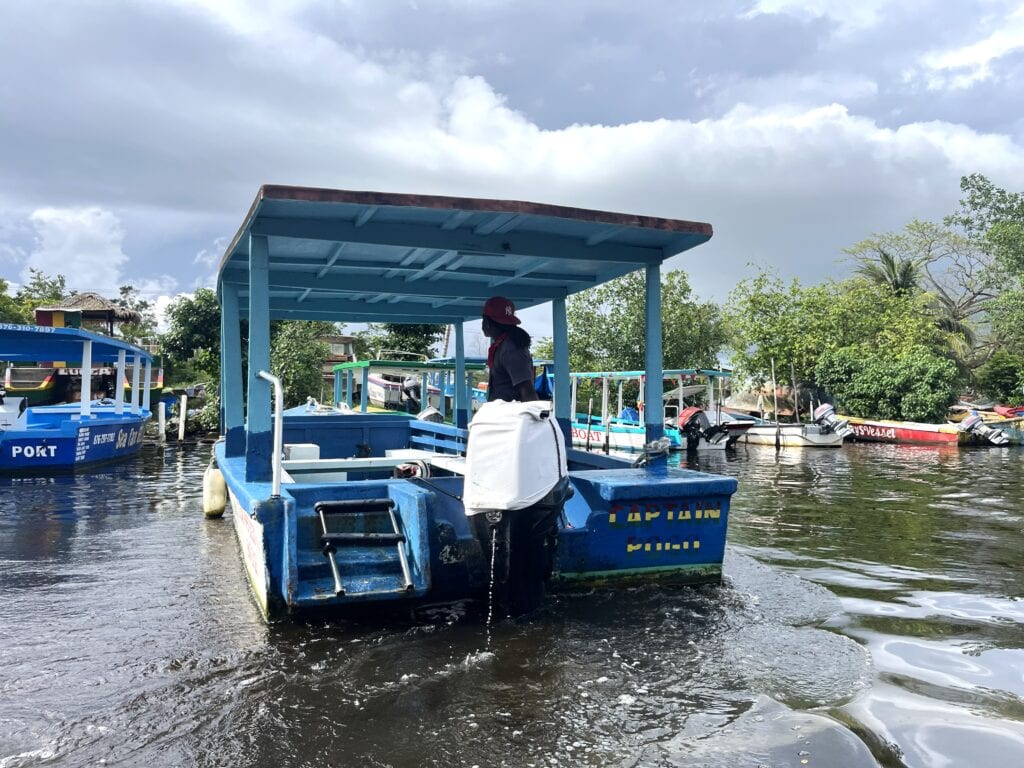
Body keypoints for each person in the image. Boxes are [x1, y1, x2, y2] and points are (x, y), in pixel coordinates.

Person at [481, 296, 538, 402]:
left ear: (487, 323)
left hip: (512, 415)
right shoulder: (502, 345)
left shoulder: (511, 350)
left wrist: (535, 417)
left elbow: (527, 390)